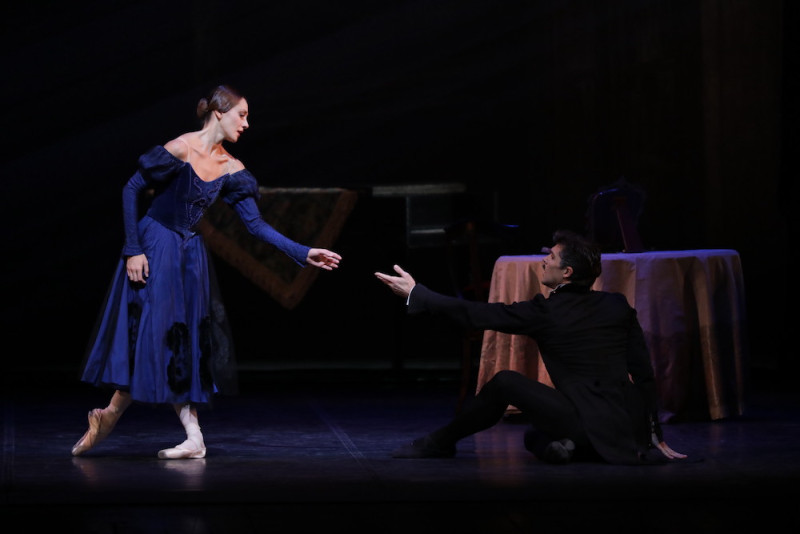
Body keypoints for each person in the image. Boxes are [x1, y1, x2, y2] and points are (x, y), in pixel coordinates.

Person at [72, 85, 342, 459]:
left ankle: (163, 429)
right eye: (242, 114)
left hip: (187, 255)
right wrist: (133, 249)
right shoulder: (181, 148)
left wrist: (304, 251)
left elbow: (257, 226)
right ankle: (124, 418)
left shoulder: (232, 168)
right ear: (219, 112)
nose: (246, 124)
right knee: (156, 335)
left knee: (177, 340)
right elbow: (131, 188)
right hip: (155, 245)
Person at [374, 229, 687, 465]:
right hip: (625, 425)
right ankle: (575, 448)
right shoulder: (617, 304)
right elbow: (643, 372)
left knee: (505, 383)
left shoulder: (546, 312)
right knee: (534, 436)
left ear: (567, 273)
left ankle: (441, 442)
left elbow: (477, 314)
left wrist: (419, 293)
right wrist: (652, 436)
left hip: (584, 422)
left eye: (550, 257)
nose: (543, 261)